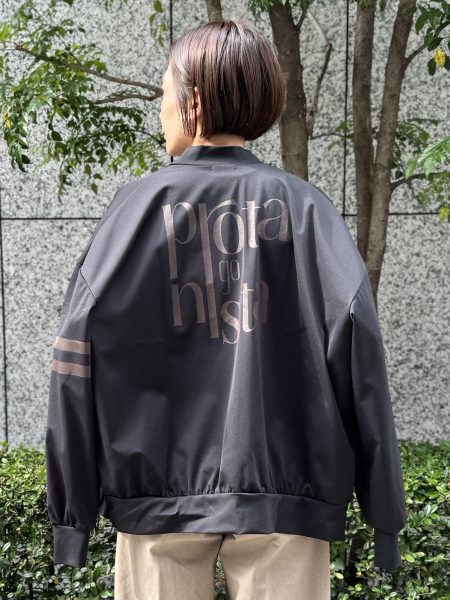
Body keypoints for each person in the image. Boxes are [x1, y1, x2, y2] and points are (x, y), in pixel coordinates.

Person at [45, 17, 407, 600]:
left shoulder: (133, 212)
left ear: (191, 102)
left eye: (165, 91)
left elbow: (73, 360)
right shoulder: (307, 209)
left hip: (155, 506)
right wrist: (384, 514)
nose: (161, 108)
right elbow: (359, 355)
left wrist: (73, 516)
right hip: (284, 502)